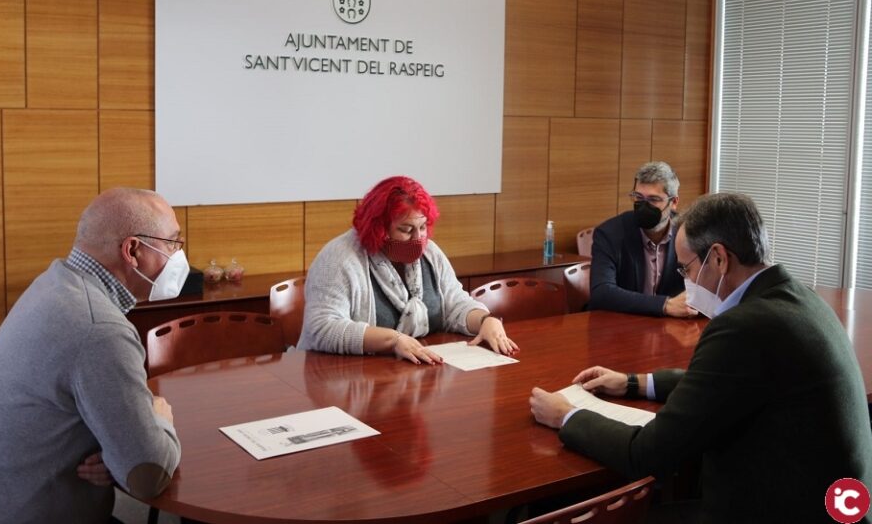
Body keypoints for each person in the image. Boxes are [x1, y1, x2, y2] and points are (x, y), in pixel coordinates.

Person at [530, 192, 872, 523]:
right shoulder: (797, 296)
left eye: (686, 269)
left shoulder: (744, 327)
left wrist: (568, 416)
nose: (687, 282)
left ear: (720, 259)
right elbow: (725, 383)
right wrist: (634, 382)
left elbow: (648, 454)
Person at [0, 188, 186, 524]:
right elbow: (148, 474)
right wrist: (159, 418)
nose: (178, 256)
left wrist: (118, 455)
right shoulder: (99, 329)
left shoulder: (53, 284)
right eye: (172, 243)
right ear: (133, 251)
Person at [298, 176, 518, 363]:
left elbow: (455, 304)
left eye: (423, 227)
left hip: (413, 372)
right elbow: (322, 328)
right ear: (379, 230)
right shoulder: (339, 259)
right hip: (343, 375)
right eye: (406, 229)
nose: (418, 238)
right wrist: (393, 340)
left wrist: (485, 320)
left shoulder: (430, 253)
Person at [588, 161, 693, 317]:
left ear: (674, 202)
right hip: (620, 325)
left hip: (671, 328)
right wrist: (664, 305)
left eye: (653, 199)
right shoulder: (610, 233)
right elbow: (601, 292)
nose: (644, 207)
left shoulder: (689, 233)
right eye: (638, 197)